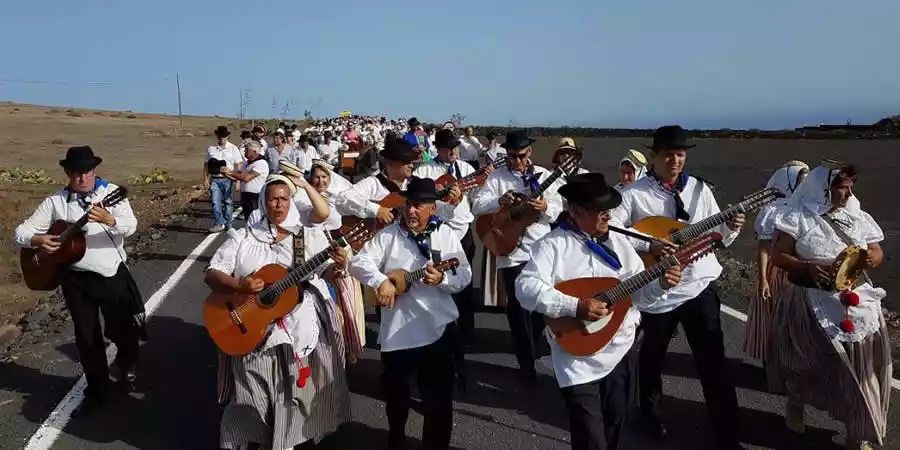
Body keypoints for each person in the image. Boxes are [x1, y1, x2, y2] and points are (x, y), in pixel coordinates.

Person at [517, 172, 683, 450]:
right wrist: (575, 305)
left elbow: (639, 298)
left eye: (609, 209)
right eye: (599, 210)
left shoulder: (620, 243)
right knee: (591, 439)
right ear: (574, 210)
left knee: (616, 426)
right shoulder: (552, 245)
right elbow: (525, 288)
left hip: (621, 350)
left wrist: (660, 285)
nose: (608, 215)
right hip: (577, 360)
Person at [609, 125, 745, 449]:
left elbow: (717, 238)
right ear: (654, 156)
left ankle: (728, 435)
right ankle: (650, 414)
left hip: (699, 284)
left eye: (680, 155)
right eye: (668, 155)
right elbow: (612, 230)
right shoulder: (633, 194)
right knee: (653, 356)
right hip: (659, 289)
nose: (675, 160)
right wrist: (650, 245)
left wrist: (731, 227)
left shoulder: (700, 189)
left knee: (713, 360)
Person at [205, 175, 351, 450]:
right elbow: (213, 273)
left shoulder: (305, 235)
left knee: (296, 392)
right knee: (252, 395)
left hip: (298, 327)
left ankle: (288, 441)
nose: (279, 204)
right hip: (251, 327)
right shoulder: (244, 237)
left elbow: (326, 272)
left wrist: (339, 266)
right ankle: (254, 438)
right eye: (273, 199)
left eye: (284, 199)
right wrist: (239, 284)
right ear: (263, 202)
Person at [14, 146, 145, 416]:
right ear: (68, 173)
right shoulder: (56, 201)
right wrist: (37, 239)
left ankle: (126, 364)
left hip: (111, 274)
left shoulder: (111, 194)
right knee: (86, 337)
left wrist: (111, 220)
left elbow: (131, 226)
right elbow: (21, 232)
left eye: (86, 172)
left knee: (123, 329)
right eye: (76, 173)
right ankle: (97, 391)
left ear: (94, 171)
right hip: (74, 279)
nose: (82, 178)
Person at [767, 162, 889, 450]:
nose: (848, 194)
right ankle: (796, 405)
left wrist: (872, 257)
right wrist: (806, 267)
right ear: (823, 189)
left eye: (851, 188)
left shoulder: (857, 216)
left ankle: (858, 432)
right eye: (842, 188)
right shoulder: (797, 216)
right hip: (811, 301)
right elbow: (779, 256)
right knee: (806, 364)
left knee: (861, 370)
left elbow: (877, 250)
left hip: (857, 303)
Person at [348, 176, 473, 450]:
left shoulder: (445, 234)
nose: (411, 211)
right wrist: (381, 281)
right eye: (408, 205)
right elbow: (358, 262)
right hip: (398, 333)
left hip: (438, 329)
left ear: (433, 208)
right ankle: (396, 439)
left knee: (438, 403)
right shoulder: (390, 235)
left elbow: (464, 274)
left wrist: (442, 280)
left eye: (418, 205)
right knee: (396, 400)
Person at [470, 129, 564, 382]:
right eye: (511, 156)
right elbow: (477, 205)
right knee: (518, 309)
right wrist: (499, 201)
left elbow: (559, 210)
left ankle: (535, 345)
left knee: (542, 304)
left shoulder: (545, 175)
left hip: (542, 249)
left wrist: (545, 207)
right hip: (510, 251)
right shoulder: (497, 177)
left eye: (521, 156)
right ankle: (526, 364)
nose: (516, 161)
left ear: (529, 152)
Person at [413, 129, 487, 347]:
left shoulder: (466, 169)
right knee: (433, 278)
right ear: (438, 149)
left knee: (464, 279)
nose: (453, 151)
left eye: (455, 147)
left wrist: (480, 188)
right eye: (448, 148)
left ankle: (466, 330)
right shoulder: (424, 170)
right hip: (435, 232)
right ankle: (436, 330)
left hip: (463, 231)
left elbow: (478, 197)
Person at [743, 160, 808, 364]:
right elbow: (764, 248)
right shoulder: (773, 211)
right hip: (776, 273)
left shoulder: (806, 207)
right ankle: (771, 365)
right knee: (773, 319)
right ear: (789, 182)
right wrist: (763, 279)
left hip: (798, 271)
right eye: (800, 181)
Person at [205, 125, 244, 233]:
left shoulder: (233, 148)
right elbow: (206, 165)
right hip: (215, 179)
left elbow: (238, 164)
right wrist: (206, 179)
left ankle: (228, 223)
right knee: (215, 202)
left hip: (228, 179)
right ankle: (219, 223)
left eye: (224, 136)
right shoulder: (211, 149)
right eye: (220, 136)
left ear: (227, 137)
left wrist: (237, 180)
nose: (222, 139)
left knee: (228, 201)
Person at [223, 140, 269, 221]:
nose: (244, 151)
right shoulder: (247, 163)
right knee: (248, 219)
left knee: (255, 220)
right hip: (245, 195)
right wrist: (225, 173)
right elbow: (238, 177)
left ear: (254, 152)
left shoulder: (261, 163)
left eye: (247, 150)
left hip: (255, 197)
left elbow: (246, 177)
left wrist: (230, 172)